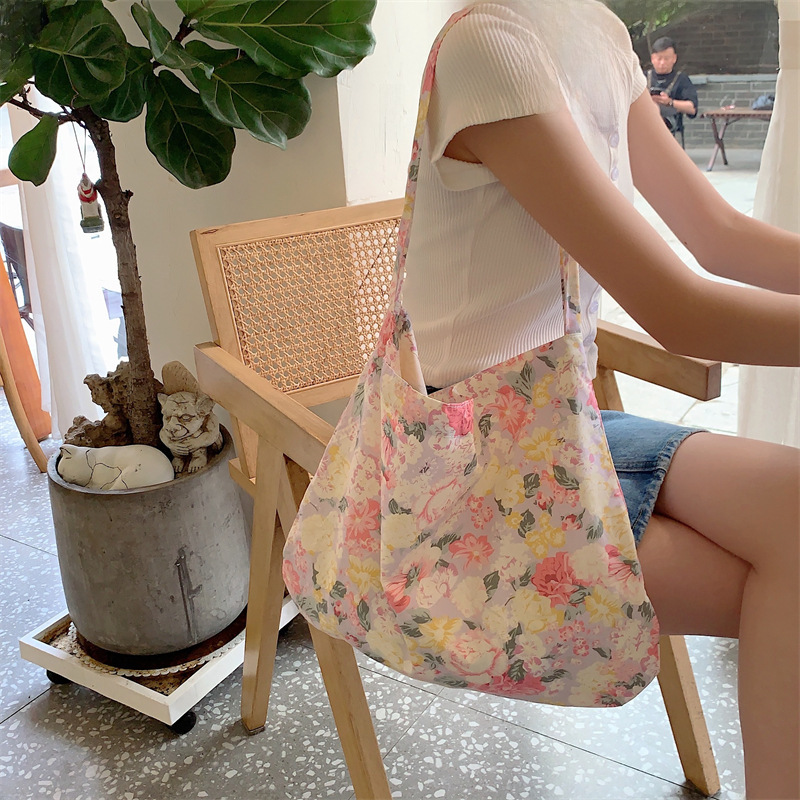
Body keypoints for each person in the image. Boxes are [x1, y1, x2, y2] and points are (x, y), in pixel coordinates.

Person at [401, 1, 799, 798]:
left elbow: (718, 233)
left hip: (559, 426)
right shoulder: (489, 46)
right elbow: (678, 309)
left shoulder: (601, 32)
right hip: (466, 470)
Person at [647, 36, 699, 137]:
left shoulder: (682, 79)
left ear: (674, 58)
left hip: (669, 124)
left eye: (666, 59)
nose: (662, 63)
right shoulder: (641, 77)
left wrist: (670, 102)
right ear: (652, 58)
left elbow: (692, 108)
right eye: (659, 59)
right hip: (644, 121)